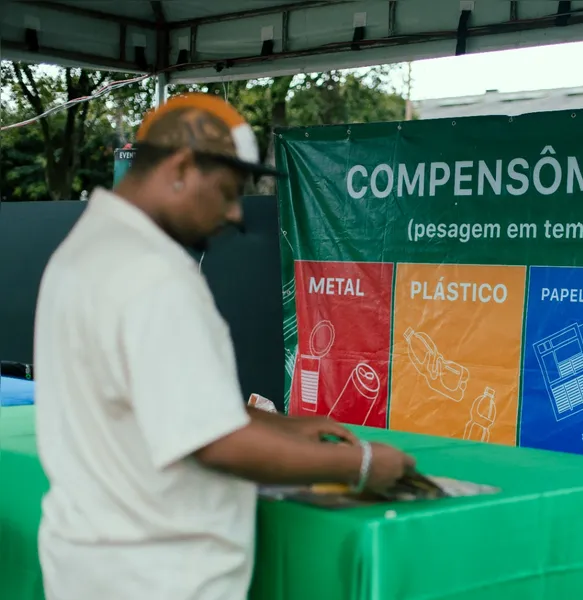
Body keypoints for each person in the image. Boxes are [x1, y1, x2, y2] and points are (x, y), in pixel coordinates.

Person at [32, 93, 415, 600]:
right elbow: (215, 444)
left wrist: (281, 426)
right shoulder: (155, 274)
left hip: (93, 563)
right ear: (182, 167)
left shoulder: (84, 252)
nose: (236, 214)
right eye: (228, 191)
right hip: (158, 577)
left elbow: (155, 404)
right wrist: (363, 464)